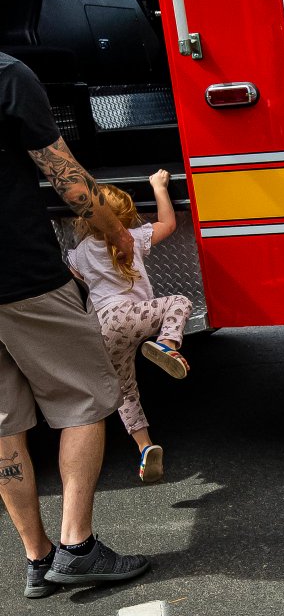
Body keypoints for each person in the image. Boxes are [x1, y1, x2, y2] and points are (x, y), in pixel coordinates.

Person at [0, 50, 149, 598]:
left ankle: (38, 560)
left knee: (3, 422)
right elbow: (71, 183)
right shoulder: (7, 76)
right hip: (22, 276)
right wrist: (114, 232)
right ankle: (78, 547)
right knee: (86, 398)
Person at [68, 171, 192, 485]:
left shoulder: (80, 253)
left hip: (103, 330)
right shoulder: (131, 238)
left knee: (126, 394)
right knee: (177, 301)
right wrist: (158, 188)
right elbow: (169, 223)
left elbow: (76, 283)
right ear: (124, 218)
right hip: (133, 316)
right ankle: (167, 344)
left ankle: (145, 446)